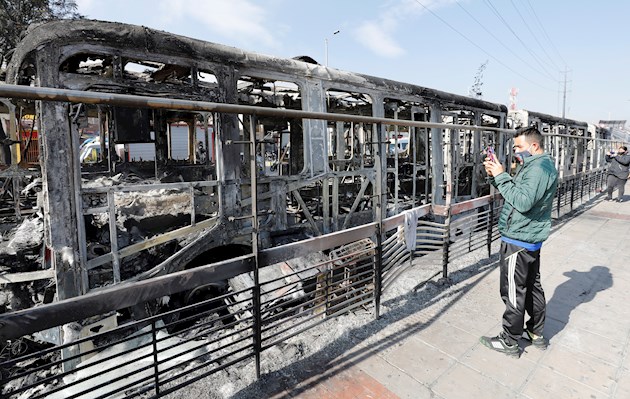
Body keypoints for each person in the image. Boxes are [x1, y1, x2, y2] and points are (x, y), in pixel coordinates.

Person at [480, 126, 558, 358]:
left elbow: (522, 202)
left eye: (519, 147)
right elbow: (515, 191)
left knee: (513, 290)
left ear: (534, 146)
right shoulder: (537, 165)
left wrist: (502, 175)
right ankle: (536, 332)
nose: (516, 151)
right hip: (529, 238)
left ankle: (509, 341)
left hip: (519, 238)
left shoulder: (538, 169)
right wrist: (497, 177)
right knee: (532, 286)